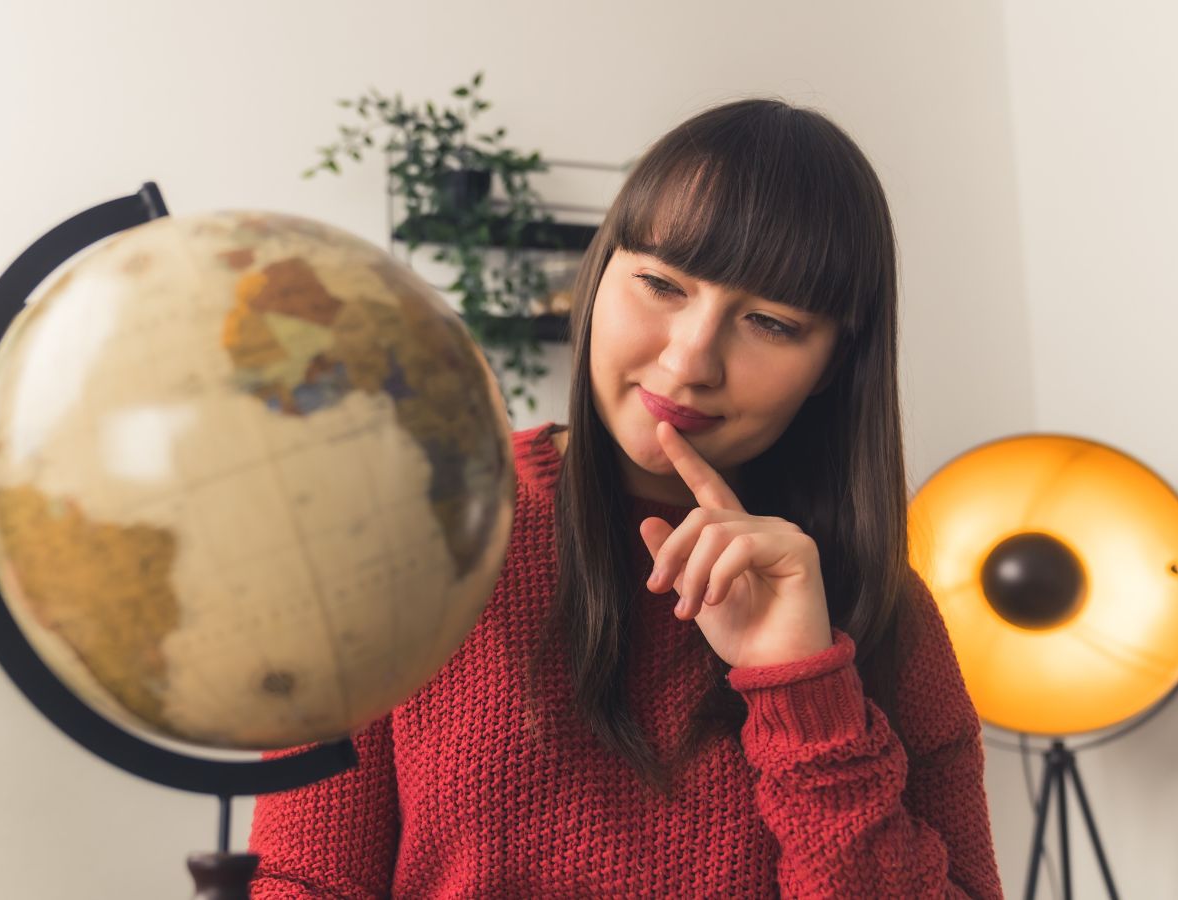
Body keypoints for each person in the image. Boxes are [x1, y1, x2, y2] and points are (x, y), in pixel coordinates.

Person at [247, 97, 1003, 898]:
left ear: (835, 365)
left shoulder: (886, 614)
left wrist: (803, 688)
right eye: (660, 284)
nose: (688, 362)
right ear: (598, 274)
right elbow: (298, 880)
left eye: (770, 323)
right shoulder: (408, 531)